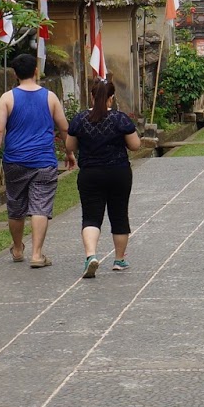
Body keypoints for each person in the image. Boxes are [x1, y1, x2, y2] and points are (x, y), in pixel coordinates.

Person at [0, 53, 75, 269]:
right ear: (36, 71)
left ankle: (18, 249)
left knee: (15, 206)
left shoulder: (7, 98)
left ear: (15, 74)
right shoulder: (50, 97)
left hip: (15, 160)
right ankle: (37, 254)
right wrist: (70, 153)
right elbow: (64, 128)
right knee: (40, 207)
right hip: (44, 160)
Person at [67, 76, 142, 278]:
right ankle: (119, 260)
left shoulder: (79, 119)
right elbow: (135, 145)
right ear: (111, 98)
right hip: (118, 172)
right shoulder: (120, 119)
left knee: (91, 216)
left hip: (90, 174)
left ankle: (91, 256)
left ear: (92, 97)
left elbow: (69, 146)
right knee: (118, 214)